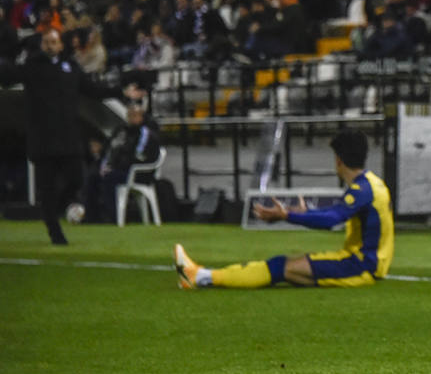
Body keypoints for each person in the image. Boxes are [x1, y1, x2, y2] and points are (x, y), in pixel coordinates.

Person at [174, 130, 394, 288]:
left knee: (280, 267)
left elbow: (332, 219)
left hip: (359, 265)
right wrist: (302, 213)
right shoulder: (371, 184)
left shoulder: (361, 190)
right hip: (368, 264)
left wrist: (287, 215)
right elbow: (337, 213)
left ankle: (201, 277)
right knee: (288, 269)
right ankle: (202, 276)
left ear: (338, 160)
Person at [0, 28, 144, 244]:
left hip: (68, 136)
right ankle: (54, 230)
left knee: (76, 178)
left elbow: (93, 90)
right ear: (42, 45)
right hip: (43, 137)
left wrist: (119, 91)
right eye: (46, 42)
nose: (50, 46)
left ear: (60, 45)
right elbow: (9, 77)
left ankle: (57, 208)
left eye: (54, 42)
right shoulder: (33, 67)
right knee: (47, 185)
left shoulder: (71, 68)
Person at [94, 100, 162, 223]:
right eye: (129, 116)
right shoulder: (121, 132)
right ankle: (91, 216)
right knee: (93, 176)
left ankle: (114, 217)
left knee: (110, 178)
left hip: (139, 173)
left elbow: (140, 157)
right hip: (120, 169)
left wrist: (119, 165)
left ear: (141, 117)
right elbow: (110, 149)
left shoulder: (146, 134)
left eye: (134, 116)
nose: (131, 119)